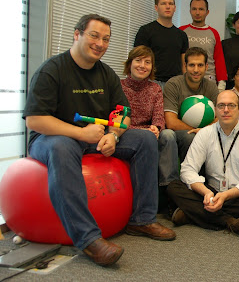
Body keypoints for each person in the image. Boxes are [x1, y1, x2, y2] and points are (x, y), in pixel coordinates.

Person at [23, 14, 176, 267]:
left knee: (146, 139)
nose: (100, 43)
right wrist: (81, 134)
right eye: (94, 35)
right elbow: (35, 120)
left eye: (106, 39)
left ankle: (142, 219)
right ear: (77, 34)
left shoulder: (105, 74)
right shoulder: (52, 70)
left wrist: (114, 135)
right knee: (62, 146)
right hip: (52, 138)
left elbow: (122, 115)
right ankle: (89, 240)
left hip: (94, 137)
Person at [167, 90, 239, 239]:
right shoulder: (205, 133)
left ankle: (192, 214)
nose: (226, 110)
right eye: (221, 105)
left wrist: (226, 196)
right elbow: (187, 169)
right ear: (215, 110)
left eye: (231, 105)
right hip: (211, 193)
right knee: (173, 187)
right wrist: (206, 192)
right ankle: (231, 222)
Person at [121, 45, 178, 188]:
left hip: (151, 131)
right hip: (126, 133)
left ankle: (169, 188)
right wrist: (142, 132)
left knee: (169, 135)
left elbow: (159, 115)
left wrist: (156, 127)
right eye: (138, 60)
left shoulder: (155, 89)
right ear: (130, 64)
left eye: (147, 62)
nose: (142, 66)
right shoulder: (118, 86)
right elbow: (118, 120)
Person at [163, 47, 219, 181]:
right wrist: (196, 132)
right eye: (192, 65)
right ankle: (178, 184)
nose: (196, 70)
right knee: (187, 138)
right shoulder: (174, 84)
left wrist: (203, 131)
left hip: (205, 131)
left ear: (206, 67)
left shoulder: (211, 87)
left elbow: (220, 117)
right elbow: (171, 121)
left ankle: (212, 183)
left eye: (200, 65)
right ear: (185, 66)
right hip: (181, 133)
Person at [134, 0, 189, 88]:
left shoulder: (182, 35)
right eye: (163, 3)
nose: (167, 7)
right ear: (156, 7)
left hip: (176, 84)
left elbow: (184, 64)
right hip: (151, 82)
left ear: (175, 8)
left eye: (170, 4)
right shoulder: (146, 31)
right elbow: (138, 60)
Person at [180, 0, 228, 90]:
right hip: (186, 82)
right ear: (190, 11)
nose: (197, 13)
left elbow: (219, 59)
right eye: (194, 9)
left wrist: (221, 84)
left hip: (208, 82)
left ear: (207, 12)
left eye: (201, 9)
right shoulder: (181, 31)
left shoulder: (213, 33)